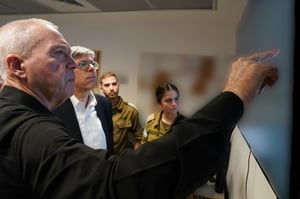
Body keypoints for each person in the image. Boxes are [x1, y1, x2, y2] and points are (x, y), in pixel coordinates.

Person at [0, 18, 279, 199]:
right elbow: (116, 184)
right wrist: (234, 96)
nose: (73, 65)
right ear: (16, 66)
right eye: (59, 54)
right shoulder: (26, 128)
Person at [53, 46, 114, 153]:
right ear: (67, 70)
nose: (91, 68)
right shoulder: (55, 106)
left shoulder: (104, 104)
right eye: (83, 64)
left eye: (93, 63)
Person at [99, 71, 143, 155]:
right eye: (107, 85)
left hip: (121, 160)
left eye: (114, 84)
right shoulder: (96, 110)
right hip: (102, 159)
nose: (111, 88)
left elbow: (139, 139)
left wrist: (133, 158)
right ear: (101, 88)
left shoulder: (130, 111)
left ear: (118, 86)